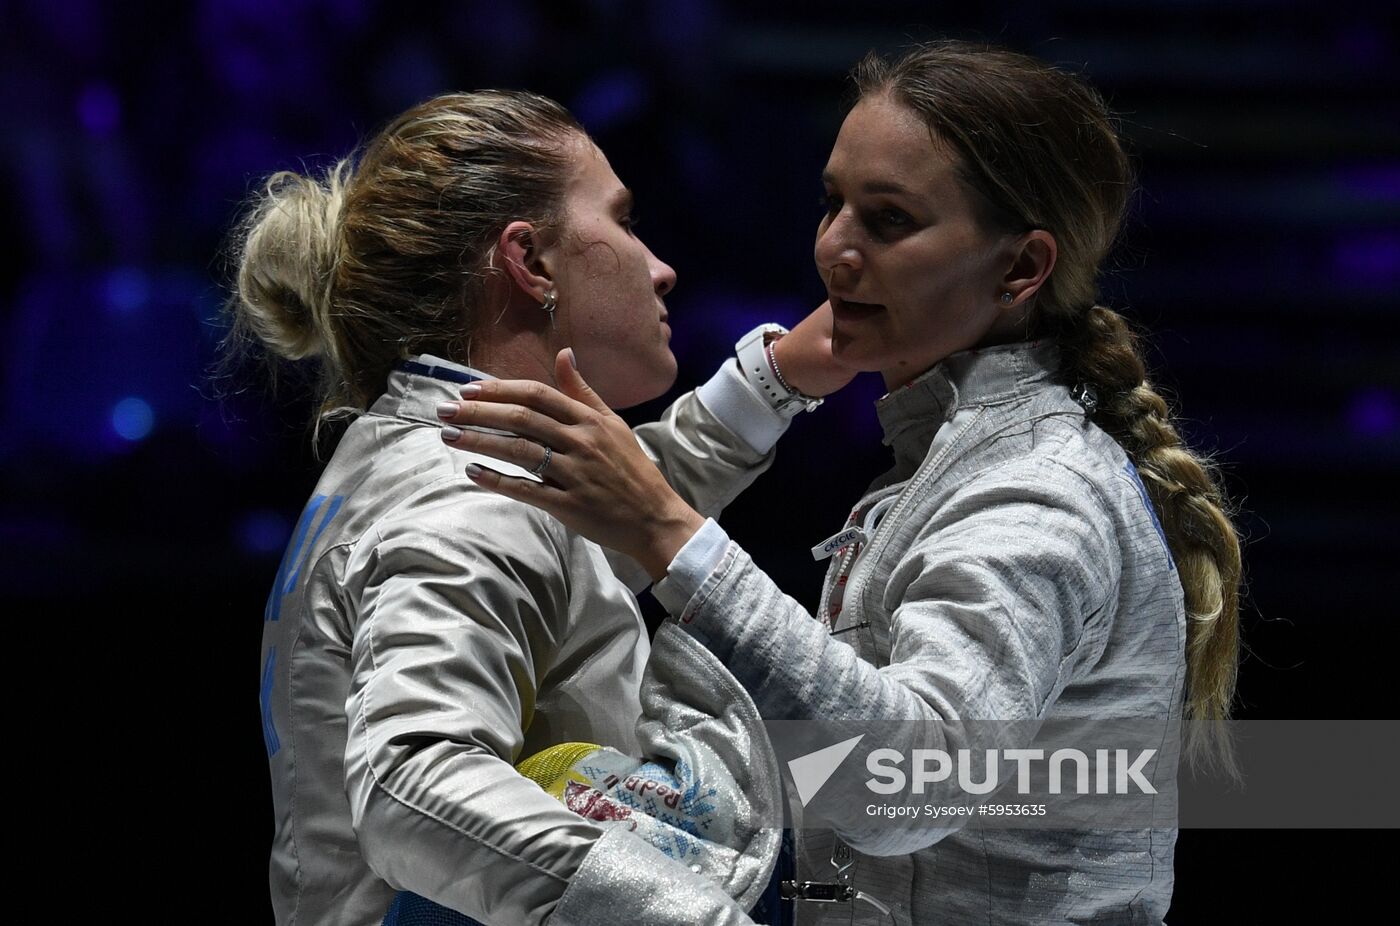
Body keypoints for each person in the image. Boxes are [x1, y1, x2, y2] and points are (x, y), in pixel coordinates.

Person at [437, 41, 1243, 924]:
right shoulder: (955, 459)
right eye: (834, 205)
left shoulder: (1037, 493)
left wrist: (670, 532)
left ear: (1021, 268)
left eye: (888, 220)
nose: (835, 251)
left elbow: (908, 785)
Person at [232, 89, 836, 926]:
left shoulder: (447, 452)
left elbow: (601, 520)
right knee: (1000, 786)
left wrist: (778, 377)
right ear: (532, 263)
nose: (659, 266)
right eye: (623, 222)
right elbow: (414, 785)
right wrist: (692, 918)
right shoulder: (466, 495)